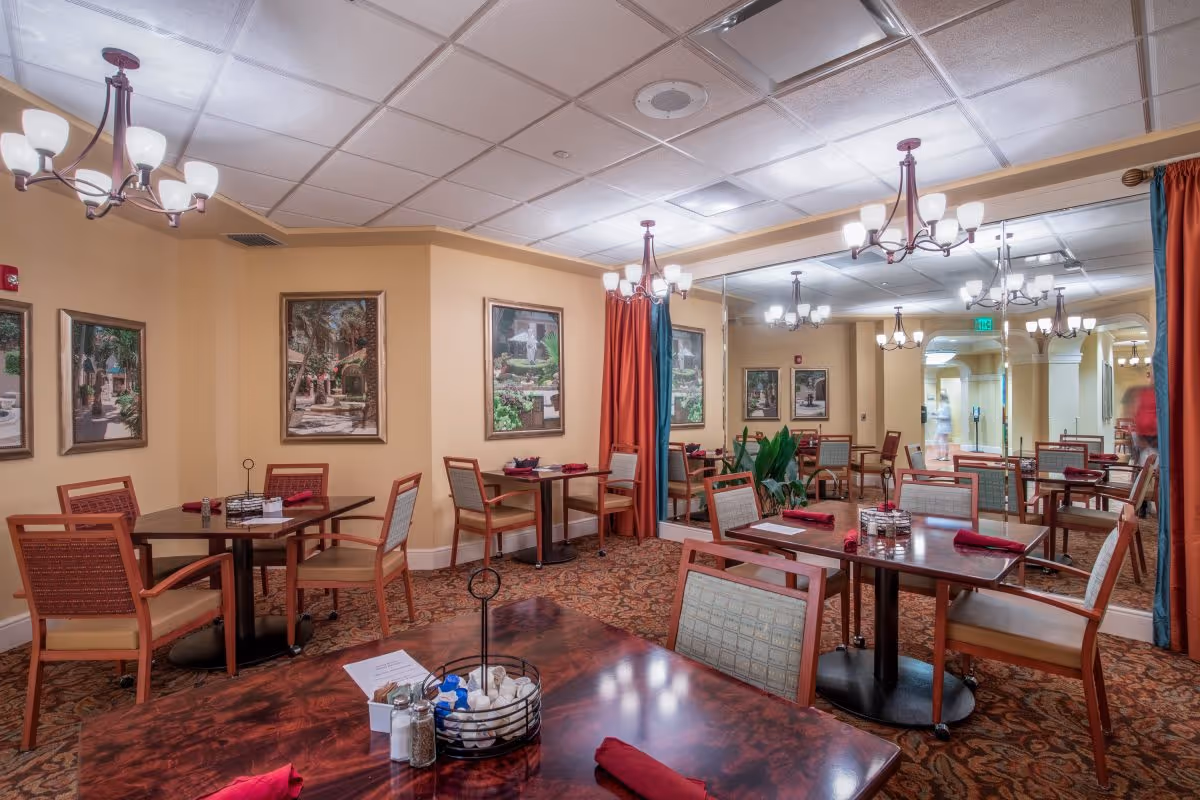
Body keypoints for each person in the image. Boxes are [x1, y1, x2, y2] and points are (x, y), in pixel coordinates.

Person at [935, 390, 953, 461]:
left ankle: (946, 456)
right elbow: (939, 413)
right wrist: (935, 414)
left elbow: (947, 416)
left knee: (944, 441)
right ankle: (939, 455)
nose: (940, 398)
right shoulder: (941, 405)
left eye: (941, 396)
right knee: (937, 440)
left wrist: (938, 417)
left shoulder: (947, 406)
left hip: (945, 426)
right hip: (940, 425)